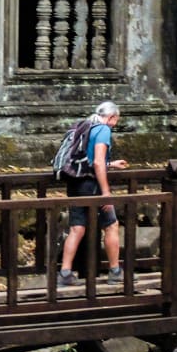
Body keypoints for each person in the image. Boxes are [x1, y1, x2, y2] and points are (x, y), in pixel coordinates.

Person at [58, 101, 128, 287]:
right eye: (116, 120)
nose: (115, 124)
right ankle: (115, 271)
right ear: (112, 116)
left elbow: (86, 159)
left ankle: (65, 272)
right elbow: (97, 162)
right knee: (111, 225)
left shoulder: (85, 125)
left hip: (75, 182)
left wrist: (111, 164)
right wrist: (106, 193)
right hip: (92, 185)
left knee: (77, 228)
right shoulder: (103, 130)